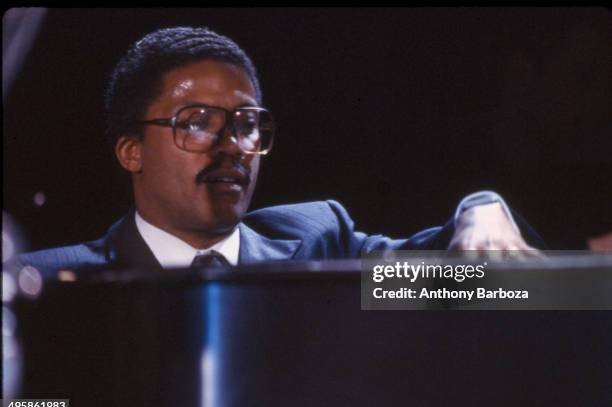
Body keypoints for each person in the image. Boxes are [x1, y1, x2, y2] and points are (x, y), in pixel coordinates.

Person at [17, 26, 543, 279]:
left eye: (247, 125)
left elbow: (458, 286)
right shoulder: (46, 283)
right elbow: (37, 406)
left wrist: (482, 211)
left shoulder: (320, 242)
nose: (233, 148)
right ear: (131, 151)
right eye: (197, 123)